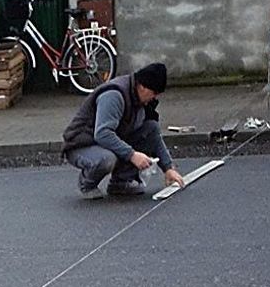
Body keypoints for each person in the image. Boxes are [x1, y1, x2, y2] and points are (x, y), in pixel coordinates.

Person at [61, 62, 186, 199]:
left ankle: (120, 182)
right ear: (143, 87)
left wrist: (168, 168)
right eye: (154, 93)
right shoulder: (114, 96)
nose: (155, 97)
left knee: (149, 128)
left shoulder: (142, 100)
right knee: (107, 159)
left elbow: (153, 133)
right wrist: (132, 155)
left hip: (107, 140)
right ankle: (87, 184)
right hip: (81, 144)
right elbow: (102, 134)